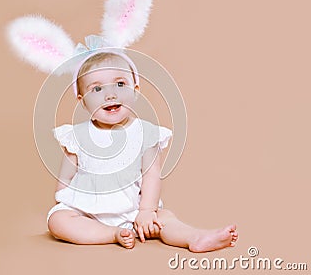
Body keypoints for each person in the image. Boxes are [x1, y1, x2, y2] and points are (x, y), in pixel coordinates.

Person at [47, 52, 238, 251]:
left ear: (136, 89)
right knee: (58, 220)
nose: (110, 94)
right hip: (86, 212)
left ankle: (195, 237)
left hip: (133, 210)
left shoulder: (146, 133)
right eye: (97, 88)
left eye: (120, 84)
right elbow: (65, 177)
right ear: (82, 100)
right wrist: (66, 200)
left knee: (164, 218)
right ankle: (111, 233)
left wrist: (146, 211)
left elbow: (151, 175)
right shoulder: (76, 135)